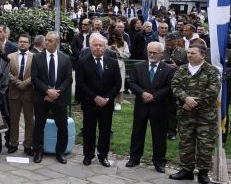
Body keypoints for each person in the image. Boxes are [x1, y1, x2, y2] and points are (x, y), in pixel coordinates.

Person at [169, 44, 222, 184]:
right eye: (189, 53)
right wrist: (185, 98)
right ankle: (186, 170)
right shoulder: (181, 69)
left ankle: (203, 173)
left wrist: (192, 102)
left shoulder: (212, 71)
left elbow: (212, 92)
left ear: (203, 55)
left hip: (205, 117)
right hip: (185, 114)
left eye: (193, 53)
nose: (189, 55)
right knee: (186, 143)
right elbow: (175, 86)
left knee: (205, 145)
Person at [76, 34, 122, 167]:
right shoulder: (83, 62)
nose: (97, 47)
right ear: (90, 47)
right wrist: (95, 97)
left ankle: (103, 156)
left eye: (100, 45)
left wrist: (107, 98)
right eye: (95, 45)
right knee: (89, 131)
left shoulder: (112, 62)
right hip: (89, 103)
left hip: (107, 105)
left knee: (105, 131)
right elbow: (81, 83)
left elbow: (117, 84)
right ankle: (88, 155)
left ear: (105, 47)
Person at [126, 42, 174, 173]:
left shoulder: (169, 69)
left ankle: (159, 162)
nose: (151, 55)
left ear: (161, 54)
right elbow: (131, 82)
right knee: (137, 133)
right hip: (141, 105)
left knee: (159, 135)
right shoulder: (138, 66)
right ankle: (134, 158)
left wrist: (154, 96)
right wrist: (142, 93)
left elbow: (169, 88)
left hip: (159, 107)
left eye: (155, 52)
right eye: (149, 52)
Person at [30, 32, 73, 164]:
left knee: (62, 126)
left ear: (57, 42)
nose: (46, 42)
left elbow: (68, 78)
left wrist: (56, 93)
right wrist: (47, 91)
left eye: (49, 40)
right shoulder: (37, 57)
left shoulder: (65, 58)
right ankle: (38, 151)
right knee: (39, 125)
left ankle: (60, 152)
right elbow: (35, 78)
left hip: (59, 98)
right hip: (42, 97)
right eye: (46, 40)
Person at [7, 33, 34, 155]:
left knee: (29, 121)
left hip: (28, 93)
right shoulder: (10, 56)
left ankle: (28, 145)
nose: (22, 43)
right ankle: (13, 143)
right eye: (20, 41)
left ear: (29, 44)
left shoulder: (35, 57)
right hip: (14, 92)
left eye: (25, 42)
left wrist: (25, 83)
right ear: (17, 43)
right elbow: (6, 72)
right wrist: (17, 82)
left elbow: (36, 74)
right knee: (14, 120)